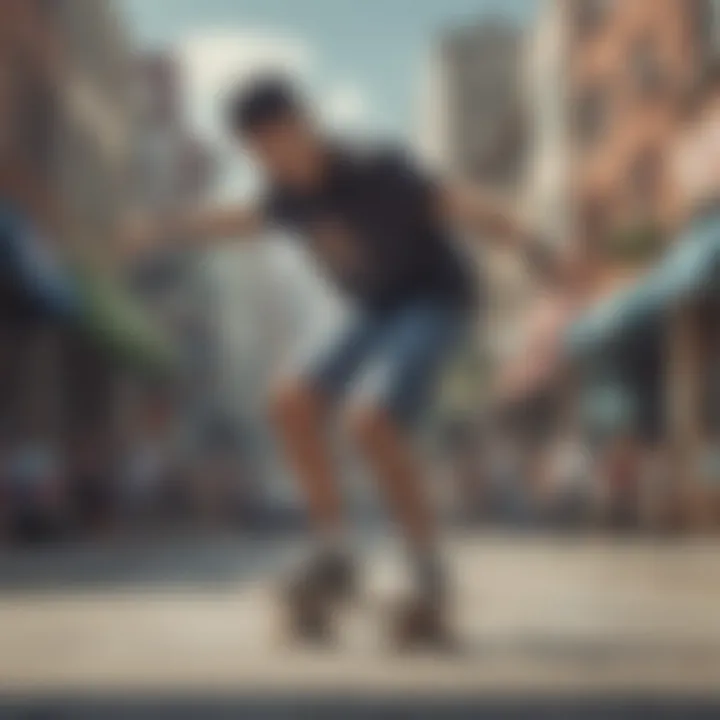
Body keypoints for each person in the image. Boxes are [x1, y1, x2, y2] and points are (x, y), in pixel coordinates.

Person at [127, 75, 547, 645]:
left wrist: (536, 247)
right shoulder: (285, 195)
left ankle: (426, 568)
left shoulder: (378, 171)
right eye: (259, 153)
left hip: (435, 300)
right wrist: (158, 229)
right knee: (290, 400)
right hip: (372, 310)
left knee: (370, 419)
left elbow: (461, 204)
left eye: (281, 144)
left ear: (305, 126)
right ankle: (335, 553)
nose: (277, 164)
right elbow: (237, 220)